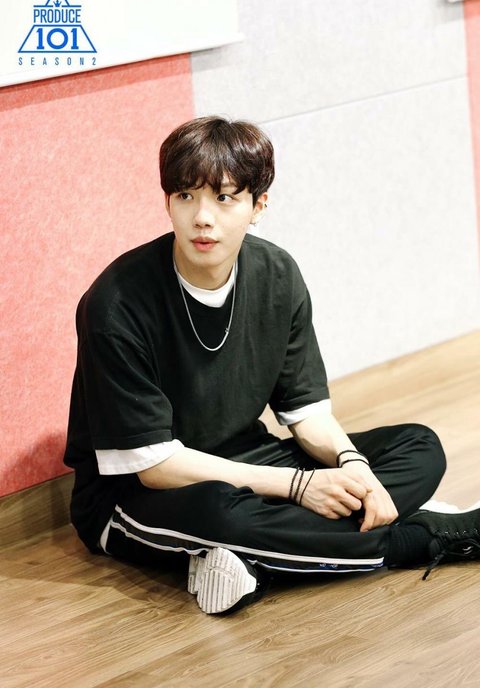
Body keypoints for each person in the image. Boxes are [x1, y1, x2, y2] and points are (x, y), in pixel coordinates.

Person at [64, 116, 480, 615]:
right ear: (167, 202)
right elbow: (154, 468)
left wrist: (353, 467)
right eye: (185, 196)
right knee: (223, 514)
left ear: (258, 205)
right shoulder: (115, 304)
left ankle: (253, 561)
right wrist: (300, 488)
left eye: (224, 198)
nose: (202, 218)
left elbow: (306, 413)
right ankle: (418, 537)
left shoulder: (277, 274)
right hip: (136, 495)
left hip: (251, 461)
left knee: (419, 446)